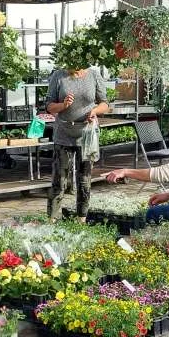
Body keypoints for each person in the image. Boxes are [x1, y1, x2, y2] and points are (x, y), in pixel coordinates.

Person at [46, 67, 109, 221]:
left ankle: (82, 219)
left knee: (84, 179)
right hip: (63, 133)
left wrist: (94, 111)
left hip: (86, 134)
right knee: (59, 180)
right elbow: (49, 106)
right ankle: (52, 219)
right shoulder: (59, 75)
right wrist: (63, 105)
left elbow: (105, 104)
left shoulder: (94, 74)